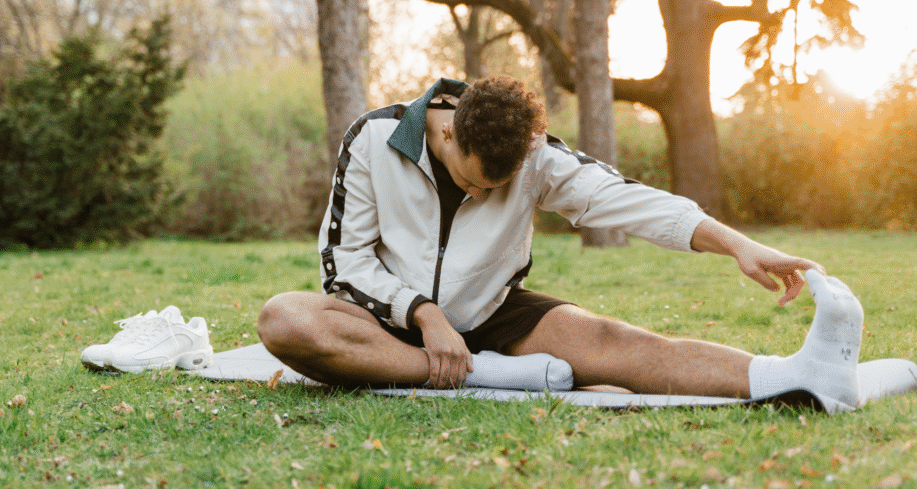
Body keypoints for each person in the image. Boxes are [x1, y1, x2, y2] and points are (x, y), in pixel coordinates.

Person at [257, 76, 863, 408]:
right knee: (286, 319)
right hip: (387, 324)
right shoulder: (373, 139)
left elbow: (626, 200)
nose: (482, 194)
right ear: (447, 135)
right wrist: (423, 314)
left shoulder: (535, 155)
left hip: (494, 315)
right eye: (473, 181)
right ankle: (491, 376)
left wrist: (736, 245)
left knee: (618, 342)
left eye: (497, 189)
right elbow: (344, 264)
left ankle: (796, 376)